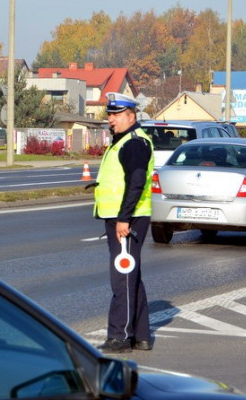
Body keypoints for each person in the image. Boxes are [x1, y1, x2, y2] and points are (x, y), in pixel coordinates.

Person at [93, 92, 154, 353]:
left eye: (116, 115)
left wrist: (123, 218)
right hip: (122, 217)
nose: (110, 119)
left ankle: (120, 336)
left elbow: (137, 181)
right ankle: (140, 335)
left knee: (122, 277)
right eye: (109, 114)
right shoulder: (123, 142)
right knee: (131, 276)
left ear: (131, 116)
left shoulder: (134, 143)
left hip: (128, 219)